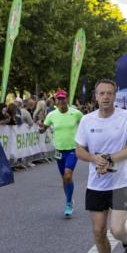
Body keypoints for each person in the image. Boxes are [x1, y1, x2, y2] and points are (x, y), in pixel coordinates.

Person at [74, 79, 127, 253]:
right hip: (96, 184)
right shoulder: (87, 120)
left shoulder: (126, 116)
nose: (105, 97)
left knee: (117, 229)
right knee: (98, 231)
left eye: (109, 93)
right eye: (101, 93)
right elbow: (79, 150)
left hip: (121, 183)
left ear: (115, 96)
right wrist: (94, 158)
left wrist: (109, 158)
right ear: (96, 96)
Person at [40, 89, 84, 217]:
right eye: (59, 99)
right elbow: (43, 128)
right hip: (59, 151)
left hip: (72, 150)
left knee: (68, 175)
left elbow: (86, 124)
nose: (61, 101)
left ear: (67, 99)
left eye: (63, 98)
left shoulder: (76, 113)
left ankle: (68, 203)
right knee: (64, 179)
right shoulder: (51, 115)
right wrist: (41, 128)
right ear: (56, 101)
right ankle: (69, 199)